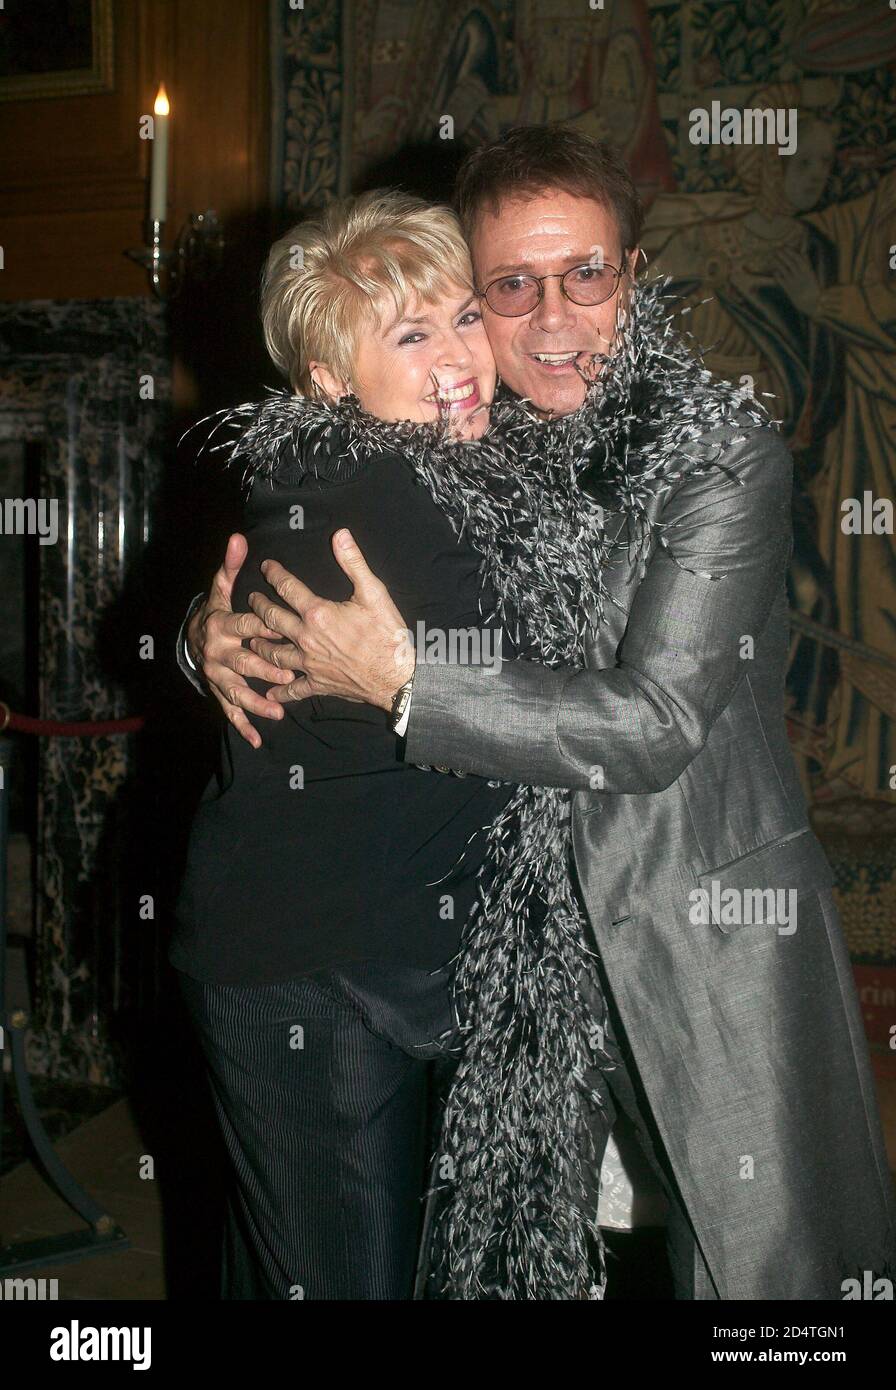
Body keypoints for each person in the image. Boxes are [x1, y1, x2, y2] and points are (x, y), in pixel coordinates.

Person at [180, 125, 896, 1300]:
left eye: (585, 276)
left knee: (768, 1276)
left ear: (635, 276)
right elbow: (290, 528)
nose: (548, 319)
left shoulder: (716, 458)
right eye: (506, 287)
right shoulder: (456, 427)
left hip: (693, 926)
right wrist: (198, 638)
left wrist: (410, 683)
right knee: (518, 1268)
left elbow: (654, 721)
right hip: (512, 964)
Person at [172, 189, 553, 1299]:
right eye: (410, 332)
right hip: (308, 969)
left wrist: (195, 638)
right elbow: (561, 695)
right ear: (332, 383)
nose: (458, 356)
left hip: (324, 953)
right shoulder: (380, 497)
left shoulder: (359, 473)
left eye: (461, 317)